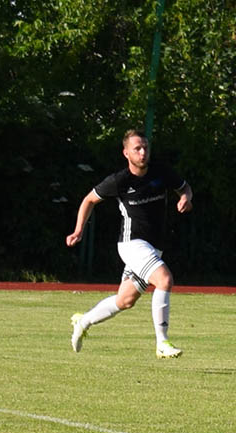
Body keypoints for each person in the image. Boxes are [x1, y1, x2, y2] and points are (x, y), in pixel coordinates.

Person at [66, 129, 193, 359]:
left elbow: (184, 187)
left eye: (145, 147)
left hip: (154, 247)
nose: (143, 152)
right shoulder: (119, 181)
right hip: (132, 244)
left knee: (124, 300)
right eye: (137, 148)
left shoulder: (161, 172)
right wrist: (78, 230)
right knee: (164, 280)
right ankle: (162, 343)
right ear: (126, 153)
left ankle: (83, 322)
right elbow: (89, 200)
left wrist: (186, 197)